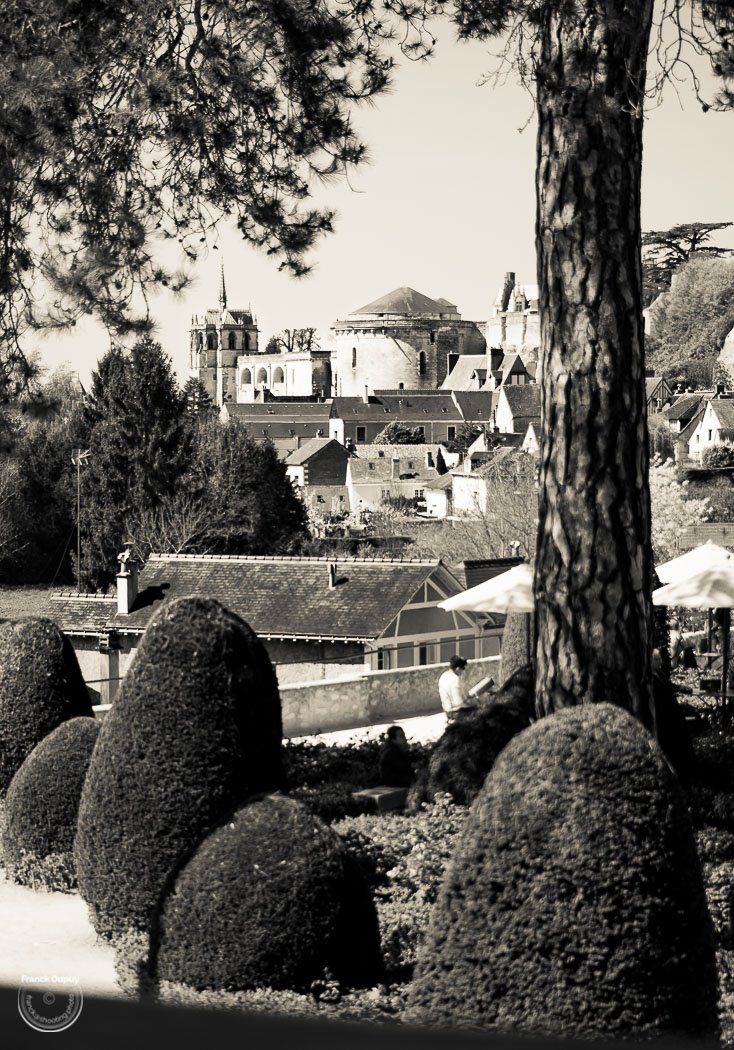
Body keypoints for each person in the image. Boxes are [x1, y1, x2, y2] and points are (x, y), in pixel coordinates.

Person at [439, 655, 472, 720]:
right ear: (458, 669)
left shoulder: (443, 675)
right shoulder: (455, 679)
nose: (463, 671)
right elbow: (458, 702)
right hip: (456, 712)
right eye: (463, 668)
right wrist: (471, 706)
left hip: (447, 711)